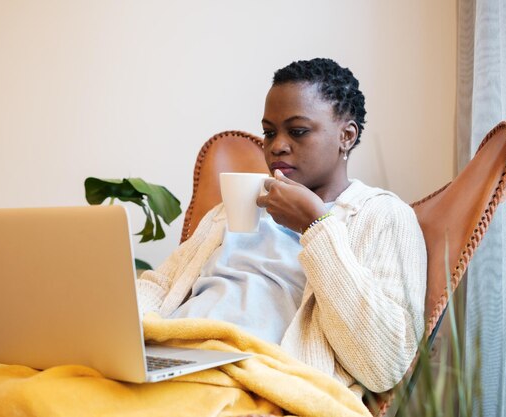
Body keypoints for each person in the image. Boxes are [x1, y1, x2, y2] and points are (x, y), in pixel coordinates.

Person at [136, 58, 427, 396]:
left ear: (346, 136)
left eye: (298, 131)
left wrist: (316, 225)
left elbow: (385, 365)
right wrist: (116, 332)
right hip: (172, 359)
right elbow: (161, 285)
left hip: (255, 381)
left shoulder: (382, 215)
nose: (276, 146)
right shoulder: (234, 205)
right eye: (270, 132)